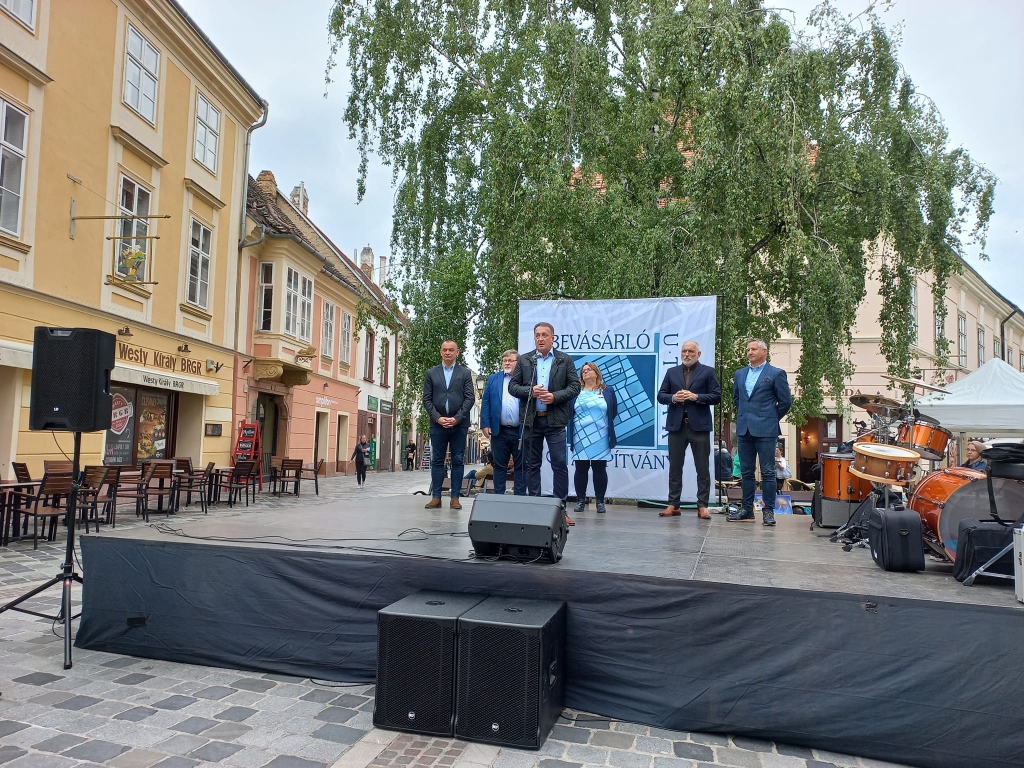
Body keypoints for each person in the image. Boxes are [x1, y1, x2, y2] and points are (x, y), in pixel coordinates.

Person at [509, 322, 581, 522]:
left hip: (555, 421)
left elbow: (575, 387)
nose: (540, 339)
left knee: (559, 464)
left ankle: (560, 510)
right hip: (531, 421)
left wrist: (554, 397)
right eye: (537, 335)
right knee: (531, 466)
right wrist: (530, 391)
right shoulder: (525, 360)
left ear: (552, 338)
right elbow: (513, 387)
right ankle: (535, 509)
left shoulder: (564, 360)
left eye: (544, 335)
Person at [727, 338, 792, 526]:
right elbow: (737, 399)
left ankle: (768, 511)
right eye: (748, 349)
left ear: (765, 351)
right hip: (744, 429)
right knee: (747, 472)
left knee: (768, 472)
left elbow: (785, 402)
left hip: (766, 429)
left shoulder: (776, 373)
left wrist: (770, 417)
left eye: (754, 349)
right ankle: (747, 510)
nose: (750, 352)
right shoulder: (740, 374)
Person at [656, 340, 722, 519]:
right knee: (675, 467)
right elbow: (661, 396)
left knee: (702, 467)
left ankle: (703, 505)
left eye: (691, 351)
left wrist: (696, 397)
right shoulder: (672, 372)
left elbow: (716, 396)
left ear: (698, 354)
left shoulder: (707, 372)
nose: (687, 354)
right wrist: (673, 398)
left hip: (699, 427)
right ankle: (673, 504)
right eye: (684, 351)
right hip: (677, 426)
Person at [422, 340, 475, 509]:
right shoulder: (431, 373)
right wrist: (437, 418)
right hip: (437, 424)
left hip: (459, 424)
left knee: (458, 460)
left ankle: (455, 497)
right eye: (444, 350)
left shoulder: (465, 373)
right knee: (437, 460)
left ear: (457, 352)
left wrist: (457, 418)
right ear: (440, 352)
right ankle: (436, 497)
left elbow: (470, 398)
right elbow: (426, 399)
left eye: (451, 350)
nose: (447, 352)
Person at [568, 361, 618, 515]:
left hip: (601, 435)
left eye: (589, 369)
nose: (586, 372)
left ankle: (600, 502)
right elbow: (570, 412)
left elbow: (613, 411)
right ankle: (580, 501)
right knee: (581, 468)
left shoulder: (607, 390)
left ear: (596, 373)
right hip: (580, 435)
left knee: (599, 468)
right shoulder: (576, 391)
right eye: (583, 370)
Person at [479, 350, 527, 495]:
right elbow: (486, 402)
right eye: (504, 360)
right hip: (499, 430)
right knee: (499, 466)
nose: (506, 363)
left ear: (518, 363)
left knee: (521, 467)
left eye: (510, 360)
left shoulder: (525, 378)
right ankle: (498, 498)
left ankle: (520, 499)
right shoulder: (494, 379)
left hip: (520, 431)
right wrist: (485, 424)